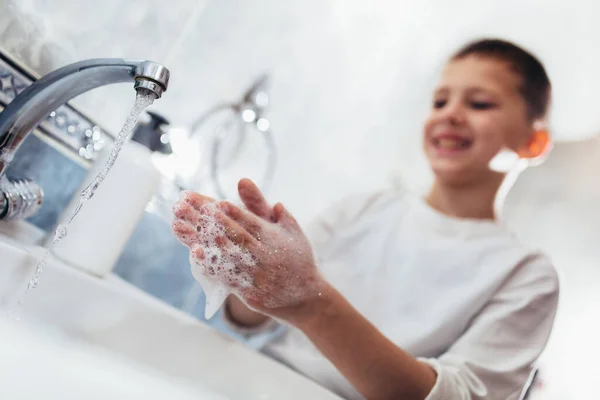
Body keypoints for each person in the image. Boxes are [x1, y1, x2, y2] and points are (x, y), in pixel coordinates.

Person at [172, 38, 559, 400]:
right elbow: (254, 320)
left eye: (479, 104)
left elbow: (456, 396)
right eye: (440, 102)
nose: (451, 114)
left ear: (533, 142)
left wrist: (308, 300)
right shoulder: (364, 209)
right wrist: (249, 275)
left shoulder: (525, 274)